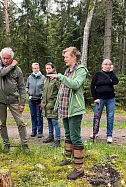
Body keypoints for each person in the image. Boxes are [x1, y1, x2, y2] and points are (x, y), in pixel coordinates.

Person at [50, 47, 88, 180]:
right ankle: (67, 159)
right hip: (65, 108)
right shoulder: (67, 71)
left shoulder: (81, 70)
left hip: (75, 109)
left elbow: (75, 84)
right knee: (67, 134)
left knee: (75, 136)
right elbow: (62, 90)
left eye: (66, 56)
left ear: (74, 57)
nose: (64, 59)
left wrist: (60, 76)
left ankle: (79, 169)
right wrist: (56, 105)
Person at [0, 47, 30, 153]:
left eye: (8, 58)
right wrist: (12, 65)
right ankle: (6, 144)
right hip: (0, 99)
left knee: (20, 122)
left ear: (12, 58)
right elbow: (1, 73)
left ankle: (25, 144)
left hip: (13, 99)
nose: (5, 60)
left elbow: (22, 87)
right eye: (4, 58)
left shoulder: (18, 70)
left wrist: (22, 103)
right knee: (2, 123)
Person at [90, 59, 119, 143]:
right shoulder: (97, 75)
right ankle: (95, 132)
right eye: (105, 64)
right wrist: (95, 98)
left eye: (109, 64)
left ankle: (109, 135)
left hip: (110, 99)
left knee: (110, 117)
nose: (107, 66)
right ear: (102, 65)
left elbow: (116, 82)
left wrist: (111, 72)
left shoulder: (111, 75)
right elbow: (92, 87)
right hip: (100, 99)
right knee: (97, 116)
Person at [41, 62, 61, 147]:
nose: (48, 70)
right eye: (46, 68)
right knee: (49, 120)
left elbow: (60, 90)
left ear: (53, 69)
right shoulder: (46, 79)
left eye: (49, 68)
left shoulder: (56, 78)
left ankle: (57, 139)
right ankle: (50, 136)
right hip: (46, 104)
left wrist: (55, 102)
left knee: (55, 122)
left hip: (53, 104)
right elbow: (44, 91)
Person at [26, 63, 45, 138]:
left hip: (39, 99)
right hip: (31, 99)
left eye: (37, 68)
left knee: (39, 115)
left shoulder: (43, 78)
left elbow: (44, 88)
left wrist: (42, 95)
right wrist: (28, 91)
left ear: (39, 68)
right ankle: (34, 131)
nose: (36, 69)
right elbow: (26, 86)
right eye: (34, 68)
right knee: (33, 115)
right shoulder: (30, 77)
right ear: (32, 69)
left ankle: (40, 132)